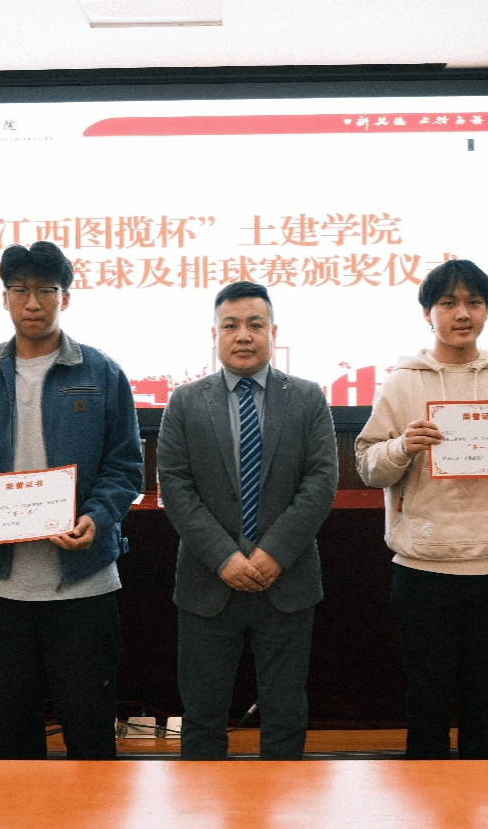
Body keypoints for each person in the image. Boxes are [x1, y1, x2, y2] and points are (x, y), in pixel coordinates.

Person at [0, 241, 142, 760]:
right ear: (4, 298)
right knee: (11, 731)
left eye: (46, 290)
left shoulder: (102, 372)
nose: (33, 302)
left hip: (83, 579)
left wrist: (97, 517)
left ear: (65, 298)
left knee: (89, 725)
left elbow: (125, 466)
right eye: (20, 290)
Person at [355, 258, 488, 760]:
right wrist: (403, 446)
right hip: (423, 568)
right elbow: (368, 467)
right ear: (428, 313)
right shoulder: (402, 384)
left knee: (486, 694)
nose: (463, 313)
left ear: (486, 311)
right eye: (448, 303)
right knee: (427, 694)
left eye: (474, 302)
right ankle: (428, 795)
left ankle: (480, 792)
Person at [157, 281, 338, 760]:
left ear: (273, 332)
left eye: (255, 325)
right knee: (202, 716)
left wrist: (273, 553)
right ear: (214, 334)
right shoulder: (185, 401)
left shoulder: (307, 398)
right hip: (207, 582)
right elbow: (174, 486)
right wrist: (225, 557)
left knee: (285, 714)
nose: (243, 335)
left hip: (287, 580)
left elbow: (320, 482)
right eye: (231, 325)